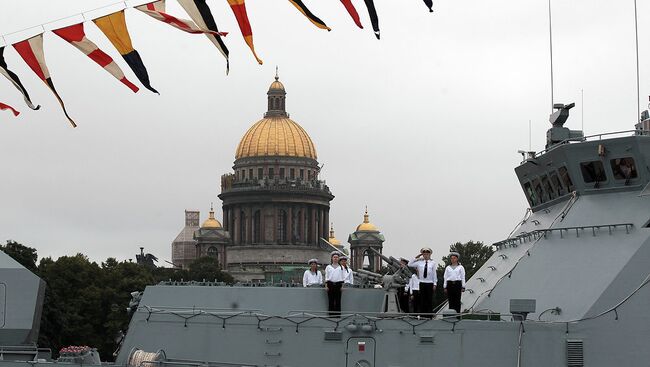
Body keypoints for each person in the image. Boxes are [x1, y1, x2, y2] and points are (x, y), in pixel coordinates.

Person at [408, 247, 437, 317]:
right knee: (422, 299)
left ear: (430, 254)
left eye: (427, 254)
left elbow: (434, 274)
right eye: (424, 254)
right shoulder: (419, 262)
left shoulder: (432, 263)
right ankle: (423, 315)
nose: (426, 255)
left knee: (429, 299)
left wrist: (435, 284)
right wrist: (418, 257)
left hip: (429, 283)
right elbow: (409, 264)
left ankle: (429, 315)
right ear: (422, 254)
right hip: (422, 282)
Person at [325, 251, 344, 317]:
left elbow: (342, 277)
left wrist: (342, 286)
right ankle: (331, 315)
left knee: (338, 300)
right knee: (331, 300)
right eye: (334, 257)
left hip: (338, 285)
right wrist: (326, 286)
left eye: (337, 257)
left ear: (338, 258)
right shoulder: (328, 267)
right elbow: (326, 277)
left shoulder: (341, 267)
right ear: (332, 258)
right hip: (330, 284)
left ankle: (338, 315)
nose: (335, 258)